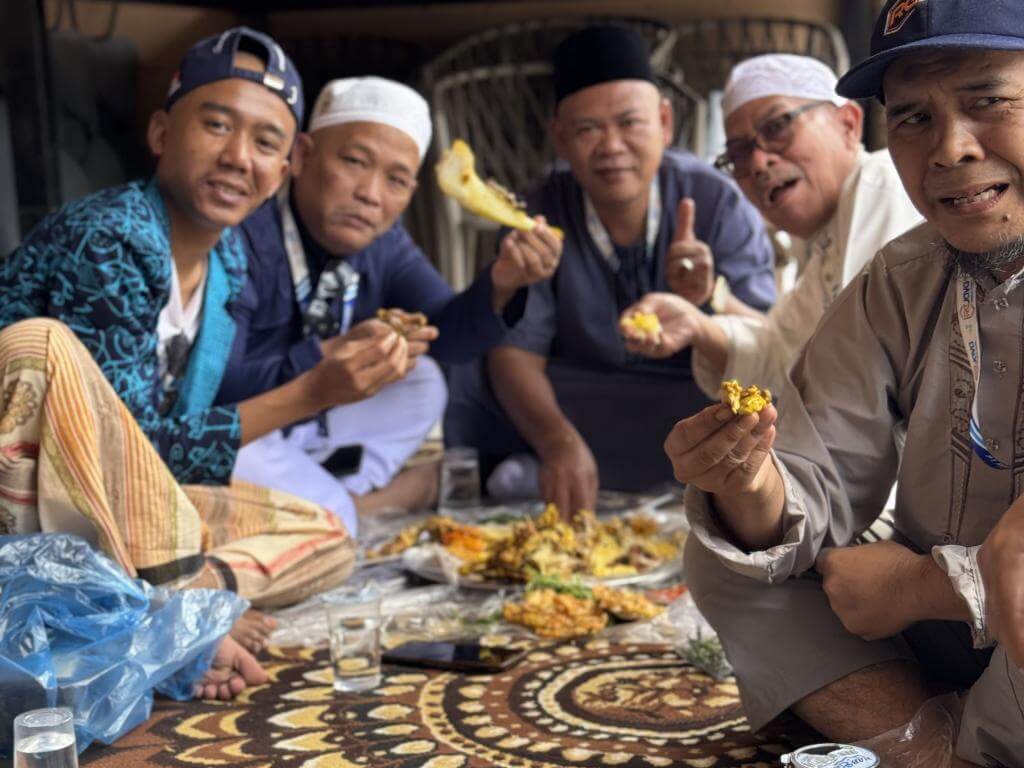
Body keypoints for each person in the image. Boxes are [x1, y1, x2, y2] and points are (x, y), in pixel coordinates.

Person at [667, 2, 1024, 763]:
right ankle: (935, 750)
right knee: (719, 551)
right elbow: (813, 470)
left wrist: (922, 588)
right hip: (931, 633)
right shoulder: (902, 276)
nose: (951, 149)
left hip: (971, 610)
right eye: (915, 118)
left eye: (988, 102)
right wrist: (749, 483)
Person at [0, 29, 360, 634]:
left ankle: (176, 591)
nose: (239, 157)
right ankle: (167, 607)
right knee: (42, 345)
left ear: (283, 168)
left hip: (123, 515)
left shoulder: (230, 265)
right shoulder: (111, 238)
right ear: (162, 134)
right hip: (34, 503)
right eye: (216, 126)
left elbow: (158, 468)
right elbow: (113, 454)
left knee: (325, 535)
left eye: (265, 141)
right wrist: (310, 393)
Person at [444, 25, 776, 511]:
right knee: (474, 367)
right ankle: (561, 465)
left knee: (750, 402)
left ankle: (549, 477)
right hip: (583, 400)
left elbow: (769, 343)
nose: (610, 145)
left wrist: (711, 302)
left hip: (686, 403)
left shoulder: (715, 200)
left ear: (664, 122)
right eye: (586, 129)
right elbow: (516, 354)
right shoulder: (538, 212)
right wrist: (559, 443)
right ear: (559, 138)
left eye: (629, 123)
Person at [222, 76, 559, 535]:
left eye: (395, 180)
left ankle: (337, 499)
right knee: (236, 451)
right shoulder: (243, 235)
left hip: (307, 426)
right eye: (355, 162)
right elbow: (216, 389)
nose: (371, 194)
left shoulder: (383, 242)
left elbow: (450, 337)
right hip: (247, 427)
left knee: (419, 378)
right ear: (302, 155)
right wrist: (322, 361)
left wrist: (503, 281)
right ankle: (344, 513)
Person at [622, 54, 921, 399]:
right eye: (738, 154)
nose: (759, 163)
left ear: (848, 124)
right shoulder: (819, 245)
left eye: (777, 127)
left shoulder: (881, 188)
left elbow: (853, 383)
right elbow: (785, 359)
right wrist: (696, 323)